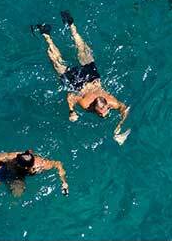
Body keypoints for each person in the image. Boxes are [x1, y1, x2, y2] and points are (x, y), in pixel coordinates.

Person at [32, 11, 131, 144]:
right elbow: (71, 96)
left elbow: (124, 109)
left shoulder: (112, 102)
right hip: (78, 83)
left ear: (107, 106)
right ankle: (48, 34)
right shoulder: (86, 105)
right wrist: (71, 111)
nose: (102, 114)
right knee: (58, 61)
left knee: (81, 50)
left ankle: (61, 29)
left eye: (102, 112)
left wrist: (119, 126)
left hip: (92, 78)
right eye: (100, 112)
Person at [0, 149, 69, 198]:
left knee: (17, 194)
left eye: (18, 161)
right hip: (6, 169)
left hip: (18, 176)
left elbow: (58, 164)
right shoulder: (14, 157)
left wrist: (64, 182)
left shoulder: (41, 165)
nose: (15, 159)